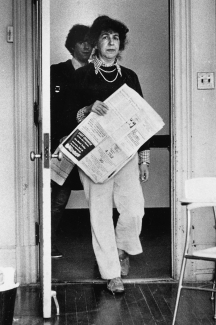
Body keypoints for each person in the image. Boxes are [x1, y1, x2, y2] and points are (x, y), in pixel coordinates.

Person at [64, 15, 150, 293]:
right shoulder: (81, 76)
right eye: (105, 37)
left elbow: (142, 120)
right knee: (99, 215)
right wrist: (88, 110)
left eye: (115, 37)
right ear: (96, 43)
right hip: (93, 157)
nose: (111, 42)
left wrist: (144, 158)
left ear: (120, 43)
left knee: (134, 209)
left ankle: (122, 249)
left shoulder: (129, 76)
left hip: (125, 155)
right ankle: (112, 273)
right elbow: (67, 117)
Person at [50, 24, 92, 258]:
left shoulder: (97, 73)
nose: (86, 46)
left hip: (92, 145)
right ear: (72, 45)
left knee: (99, 197)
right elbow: (49, 111)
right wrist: (59, 137)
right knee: (59, 197)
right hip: (63, 145)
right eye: (81, 41)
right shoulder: (56, 72)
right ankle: (50, 243)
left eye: (89, 42)